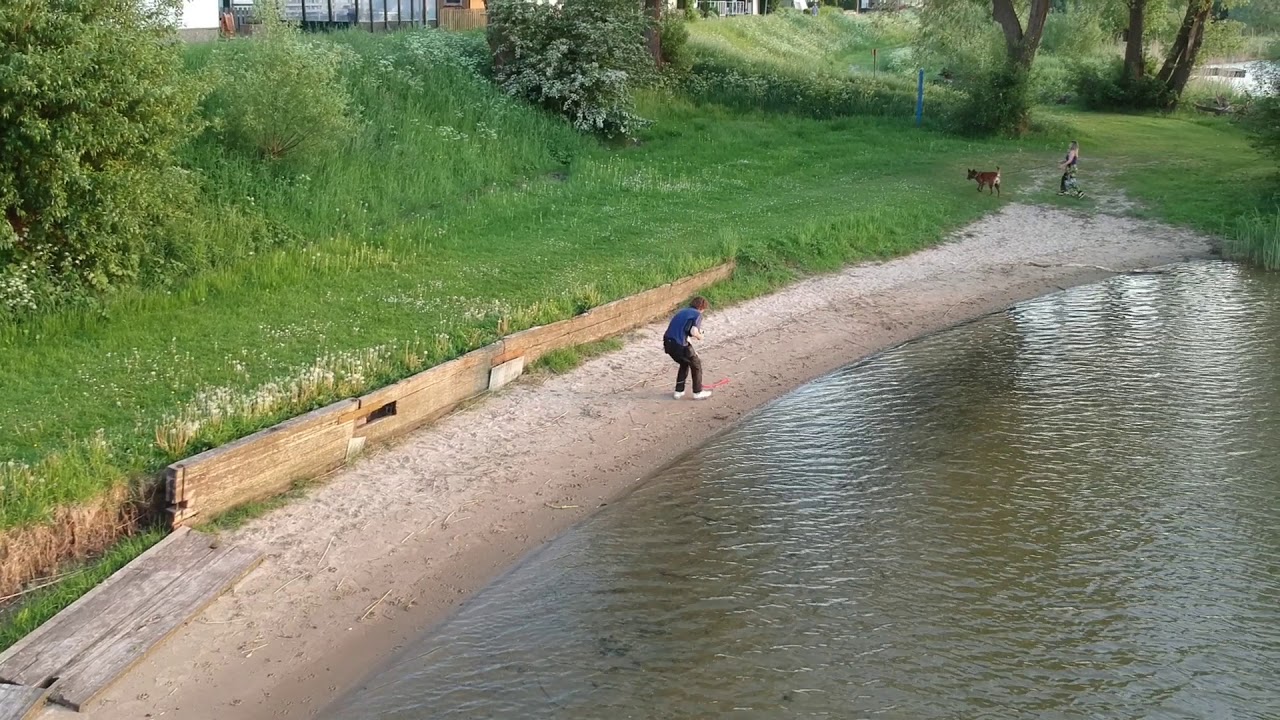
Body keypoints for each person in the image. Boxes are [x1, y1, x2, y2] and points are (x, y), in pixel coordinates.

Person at [663, 296, 712, 400]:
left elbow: (685, 333)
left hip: (668, 342)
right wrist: (700, 336)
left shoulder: (683, 311)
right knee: (696, 364)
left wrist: (693, 352)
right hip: (679, 344)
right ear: (702, 308)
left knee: (684, 362)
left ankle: (678, 391)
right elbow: (693, 332)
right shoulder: (697, 314)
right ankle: (698, 392)